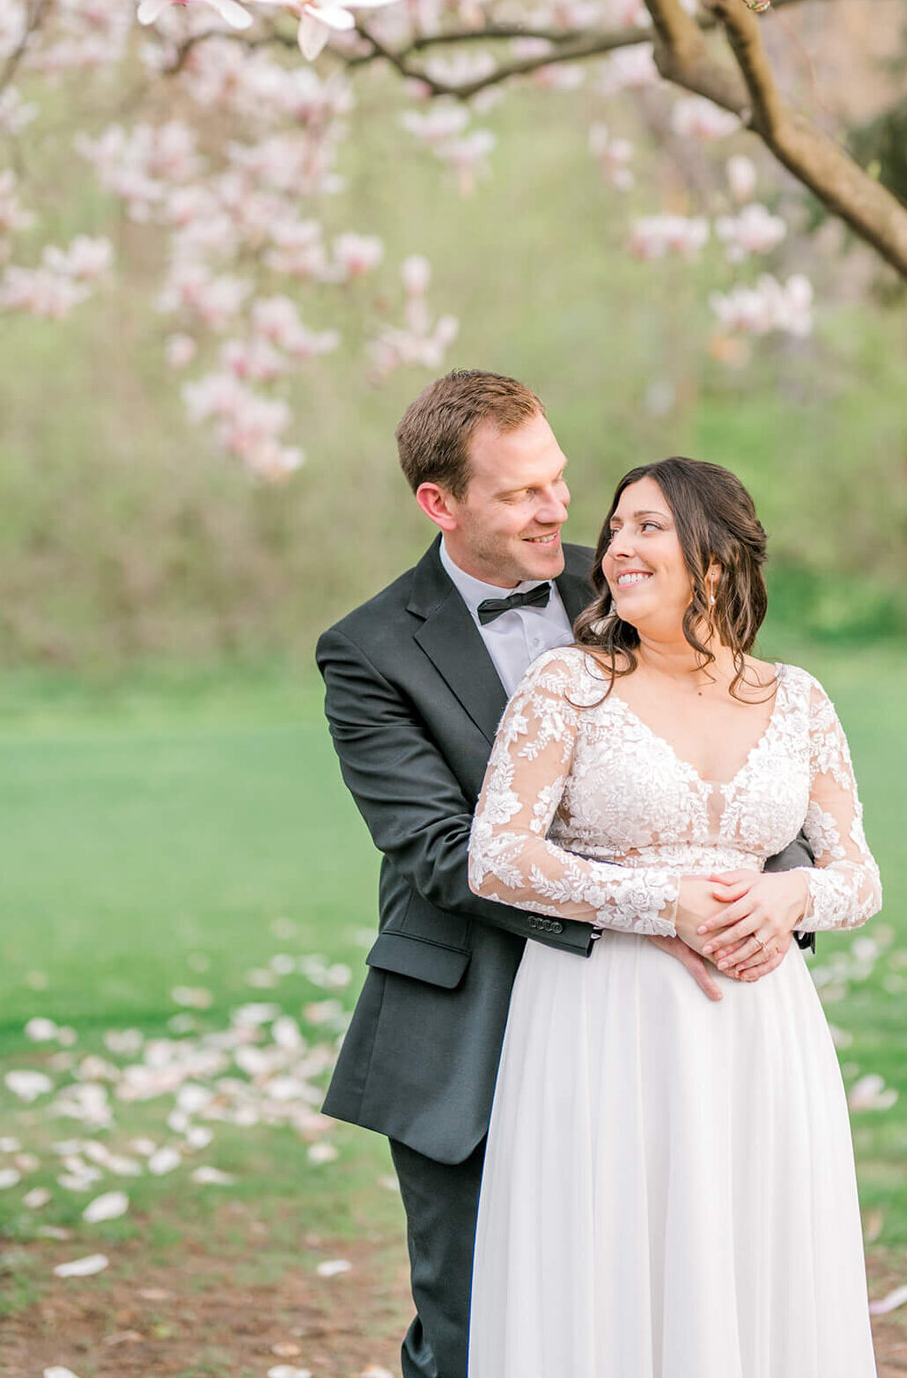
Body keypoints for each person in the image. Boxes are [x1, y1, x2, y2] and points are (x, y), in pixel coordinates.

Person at [315, 372, 816, 1378]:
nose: (558, 510)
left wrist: (783, 885)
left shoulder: (634, 575)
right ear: (439, 504)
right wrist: (646, 911)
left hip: (669, 1024)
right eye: (520, 494)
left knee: (674, 1303)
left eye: (559, 480)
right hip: (470, 1024)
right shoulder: (368, 650)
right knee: (480, 1330)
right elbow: (441, 853)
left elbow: (755, 748)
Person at [467, 454, 883, 1378]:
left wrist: (789, 893)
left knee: (754, 1246)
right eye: (615, 528)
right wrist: (665, 901)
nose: (617, 546)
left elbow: (859, 876)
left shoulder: (799, 699)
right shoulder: (565, 686)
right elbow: (497, 857)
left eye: (648, 526)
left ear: (720, 558)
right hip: (604, 1015)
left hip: (761, 1027)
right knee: (612, 1253)